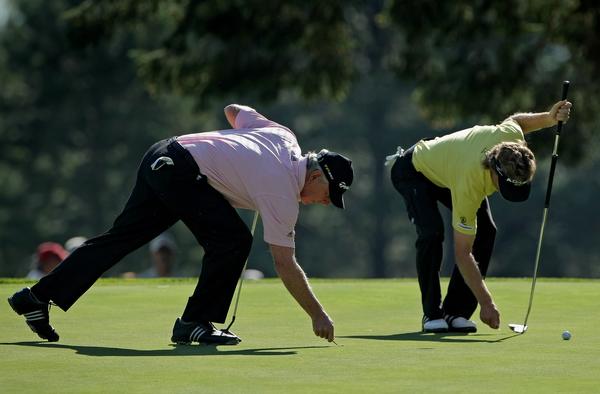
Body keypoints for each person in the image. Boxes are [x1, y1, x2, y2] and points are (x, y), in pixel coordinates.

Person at [8, 104, 354, 345]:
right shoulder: (282, 191)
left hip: (164, 153)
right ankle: (193, 324)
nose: (324, 202)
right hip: (181, 172)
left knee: (121, 239)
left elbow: (234, 110)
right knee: (232, 241)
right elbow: (284, 263)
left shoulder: (284, 136)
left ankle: (36, 297)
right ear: (315, 174)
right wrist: (317, 315)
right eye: (328, 194)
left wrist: (242, 158)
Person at [387, 99, 572, 333]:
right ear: (494, 170)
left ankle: (456, 312)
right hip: (414, 171)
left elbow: (516, 121)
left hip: (449, 170)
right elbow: (462, 253)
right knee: (432, 233)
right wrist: (487, 303)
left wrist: (549, 117)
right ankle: (432, 314)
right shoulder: (471, 183)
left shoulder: (511, 138)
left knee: (487, 231)